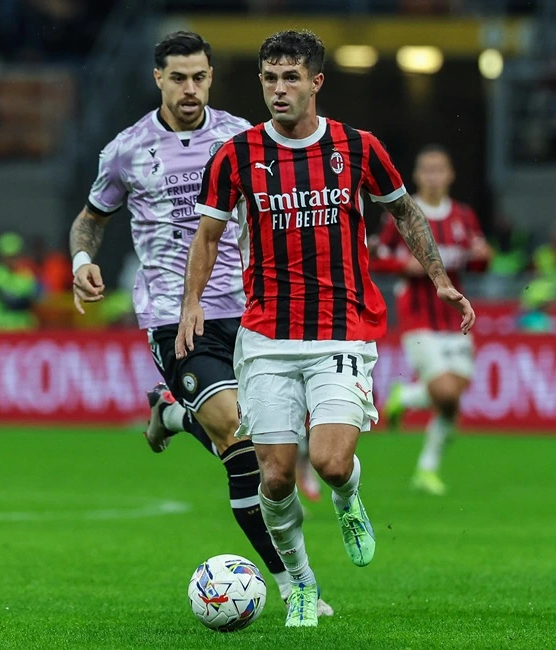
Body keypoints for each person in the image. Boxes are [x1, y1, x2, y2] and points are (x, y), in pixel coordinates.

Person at [180, 30, 475, 627]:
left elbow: (405, 210)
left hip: (340, 331)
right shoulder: (236, 156)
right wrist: (192, 305)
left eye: (291, 77)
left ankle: (347, 500)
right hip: (265, 335)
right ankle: (303, 587)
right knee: (277, 473)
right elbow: (209, 234)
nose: (278, 89)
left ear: (316, 82)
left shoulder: (357, 147)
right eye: (269, 78)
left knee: (333, 462)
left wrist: (439, 277)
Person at [70, 30, 333, 616]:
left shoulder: (241, 137)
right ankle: (296, 585)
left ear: (211, 77)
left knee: (273, 448)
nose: (189, 89)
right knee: (241, 445)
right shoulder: (126, 149)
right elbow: (91, 218)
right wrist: (83, 260)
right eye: (178, 77)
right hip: (174, 317)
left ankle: (169, 412)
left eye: (199, 77)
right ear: (158, 78)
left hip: (252, 309)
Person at [373, 145, 492, 496]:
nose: (434, 176)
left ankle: (426, 465)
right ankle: (409, 397)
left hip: (457, 321)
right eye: (427, 170)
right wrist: (402, 266)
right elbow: (372, 256)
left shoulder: (465, 216)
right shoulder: (402, 214)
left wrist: (483, 257)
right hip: (418, 320)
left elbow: (477, 262)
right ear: (416, 175)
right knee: (442, 391)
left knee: (452, 400)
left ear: (451, 174)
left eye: (440, 170)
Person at [0, 232, 40, 330]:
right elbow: (10, 301)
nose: (12, 260)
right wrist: (23, 300)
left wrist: (24, 301)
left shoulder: (26, 274)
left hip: (23, 328)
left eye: (15, 256)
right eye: (8, 257)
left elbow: (35, 299)